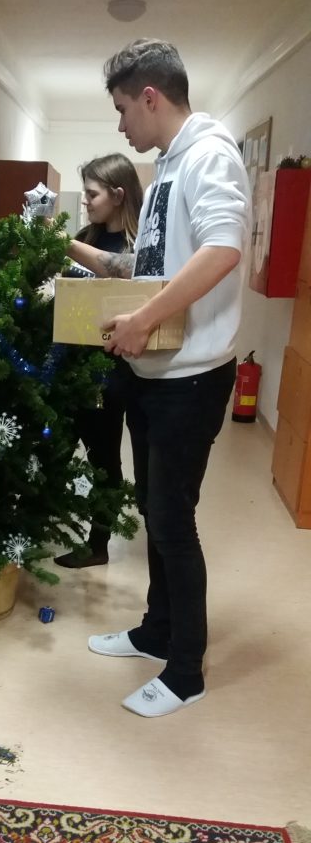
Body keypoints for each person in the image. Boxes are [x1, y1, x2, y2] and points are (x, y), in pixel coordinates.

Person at [87, 40, 251, 718]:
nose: (121, 124)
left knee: (173, 522)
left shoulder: (210, 155)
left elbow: (223, 250)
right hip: (153, 372)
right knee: (155, 513)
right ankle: (157, 630)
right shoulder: (167, 169)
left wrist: (144, 318)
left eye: (123, 108)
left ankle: (186, 671)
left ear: (150, 97)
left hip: (191, 378)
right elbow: (157, 265)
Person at [54, 154, 143, 567]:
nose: (86, 201)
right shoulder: (85, 236)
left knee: (103, 459)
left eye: (92, 194)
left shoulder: (135, 250)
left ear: (118, 195)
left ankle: (98, 545)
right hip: (67, 365)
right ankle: (38, 528)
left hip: (110, 375)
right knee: (54, 451)